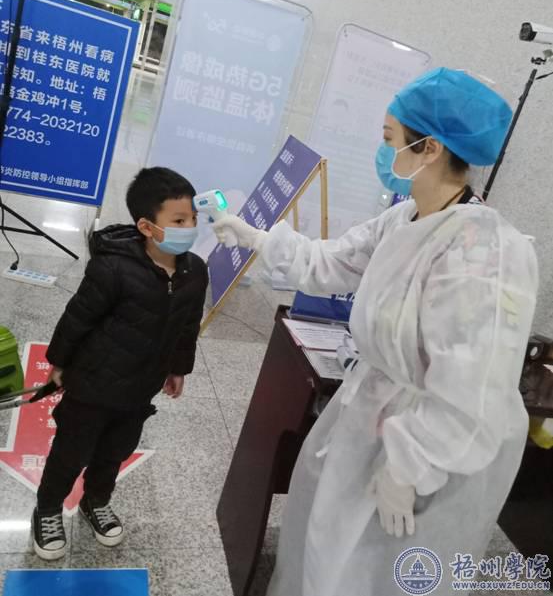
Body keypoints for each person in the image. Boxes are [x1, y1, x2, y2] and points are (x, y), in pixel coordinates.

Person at [214, 68, 538, 596]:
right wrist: (257, 238)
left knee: (379, 572)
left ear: (430, 148)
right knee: (326, 548)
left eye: (391, 139)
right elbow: (330, 262)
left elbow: (473, 387)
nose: (384, 152)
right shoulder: (406, 218)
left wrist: (409, 469)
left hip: (434, 452)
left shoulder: (485, 251)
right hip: (371, 416)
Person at [32, 167, 208, 561]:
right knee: (71, 452)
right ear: (146, 226)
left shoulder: (195, 271)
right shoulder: (113, 267)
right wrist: (59, 362)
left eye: (193, 219)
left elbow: (188, 325)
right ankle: (47, 509)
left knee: (115, 451)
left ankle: (96, 500)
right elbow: (78, 317)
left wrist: (178, 367)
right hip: (92, 384)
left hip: (140, 387)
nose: (190, 228)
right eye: (179, 221)